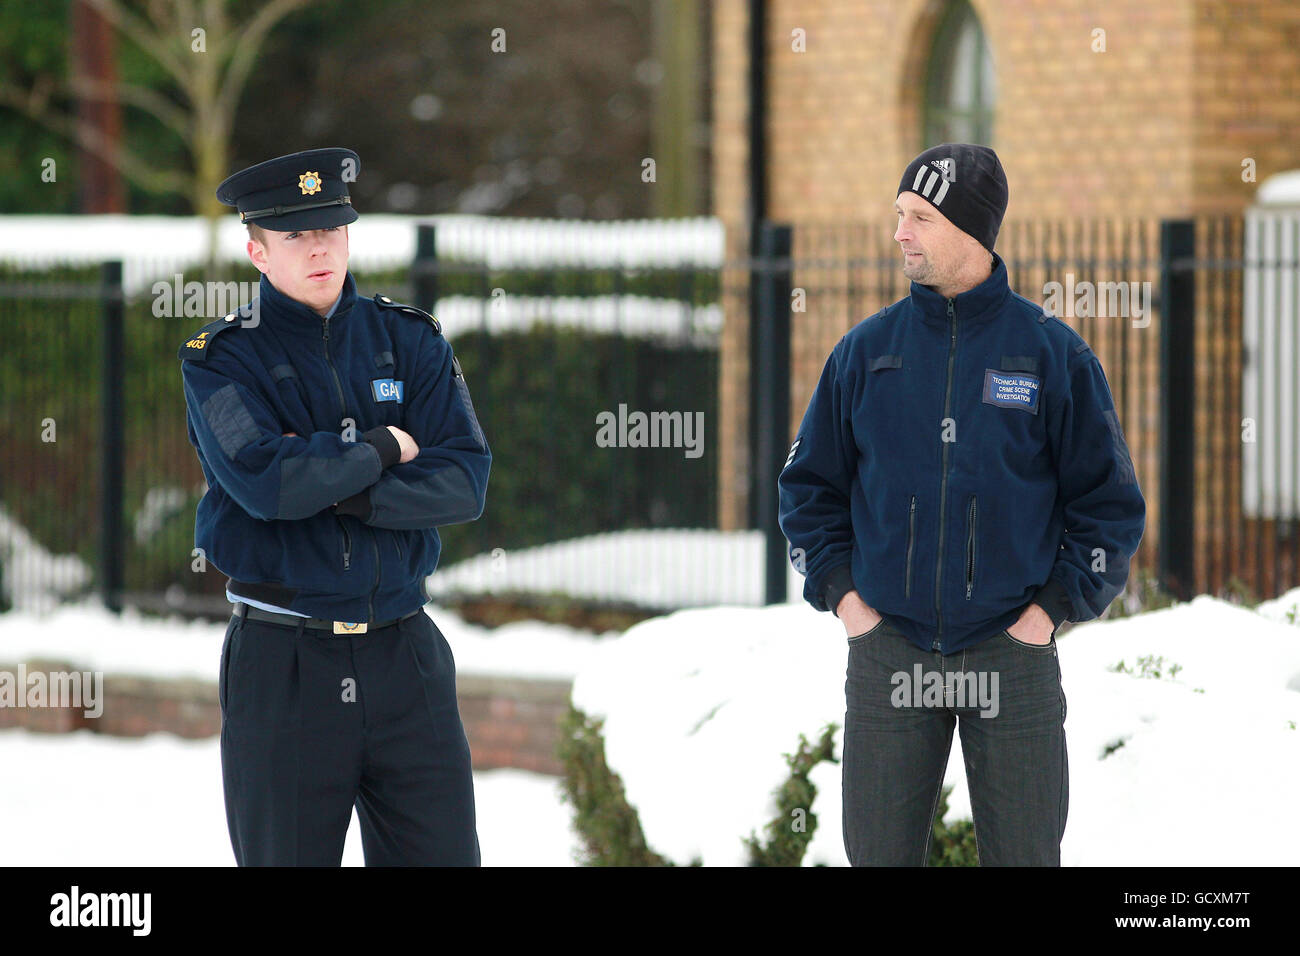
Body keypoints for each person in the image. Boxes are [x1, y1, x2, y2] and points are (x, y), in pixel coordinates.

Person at [778, 143, 1145, 866]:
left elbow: (1109, 507)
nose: (900, 233)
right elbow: (807, 490)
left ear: (971, 230)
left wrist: (1047, 615)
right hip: (890, 652)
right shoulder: (865, 353)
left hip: (1012, 653)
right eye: (899, 215)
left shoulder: (1051, 357)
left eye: (918, 217)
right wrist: (848, 602)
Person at [178, 147, 491, 866]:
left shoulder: (410, 339)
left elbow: (464, 480)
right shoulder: (220, 358)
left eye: (331, 229)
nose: (318, 247)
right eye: (294, 236)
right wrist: (385, 446)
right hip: (285, 660)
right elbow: (266, 484)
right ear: (257, 251)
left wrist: (336, 487)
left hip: (404, 651)